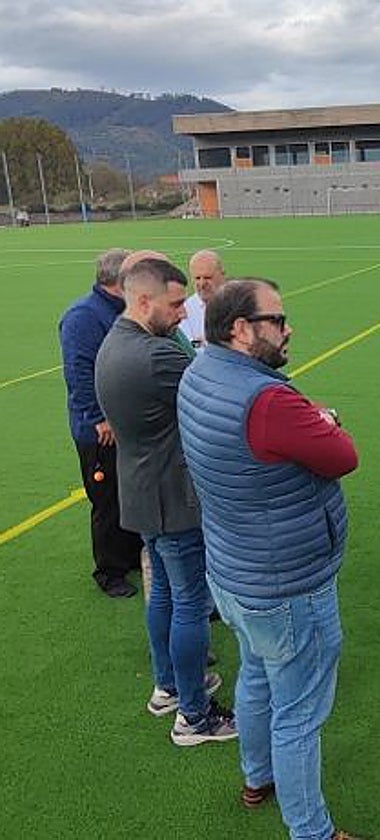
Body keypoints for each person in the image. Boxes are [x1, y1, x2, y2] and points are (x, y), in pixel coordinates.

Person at [178, 279, 360, 840]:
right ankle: (311, 830)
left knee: (256, 674)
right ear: (240, 329)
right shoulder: (268, 400)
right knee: (300, 711)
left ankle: (257, 778)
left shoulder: (197, 374)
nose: (289, 329)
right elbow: (343, 456)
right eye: (278, 320)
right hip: (287, 583)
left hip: (235, 572)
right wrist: (324, 421)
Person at [94, 255, 234, 745]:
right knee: (191, 603)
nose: (183, 314)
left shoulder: (115, 340)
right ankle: (194, 716)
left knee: (168, 596)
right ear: (144, 299)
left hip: (141, 491)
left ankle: (169, 687)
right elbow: (219, 391)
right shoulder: (158, 356)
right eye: (175, 305)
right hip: (173, 498)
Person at [58, 247, 145, 598]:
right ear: (119, 280)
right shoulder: (84, 316)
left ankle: (129, 555)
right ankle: (109, 571)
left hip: (125, 422)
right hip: (100, 430)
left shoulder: (119, 310)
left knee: (130, 492)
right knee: (107, 498)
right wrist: (97, 418)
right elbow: (79, 372)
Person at [180, 249, 227, 347]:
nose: (202, 284)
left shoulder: (238, 302)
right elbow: (188, 345)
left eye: (207, 278)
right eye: (197, 278)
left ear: (222, 275)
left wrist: (202, 342)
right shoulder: (185, 309)